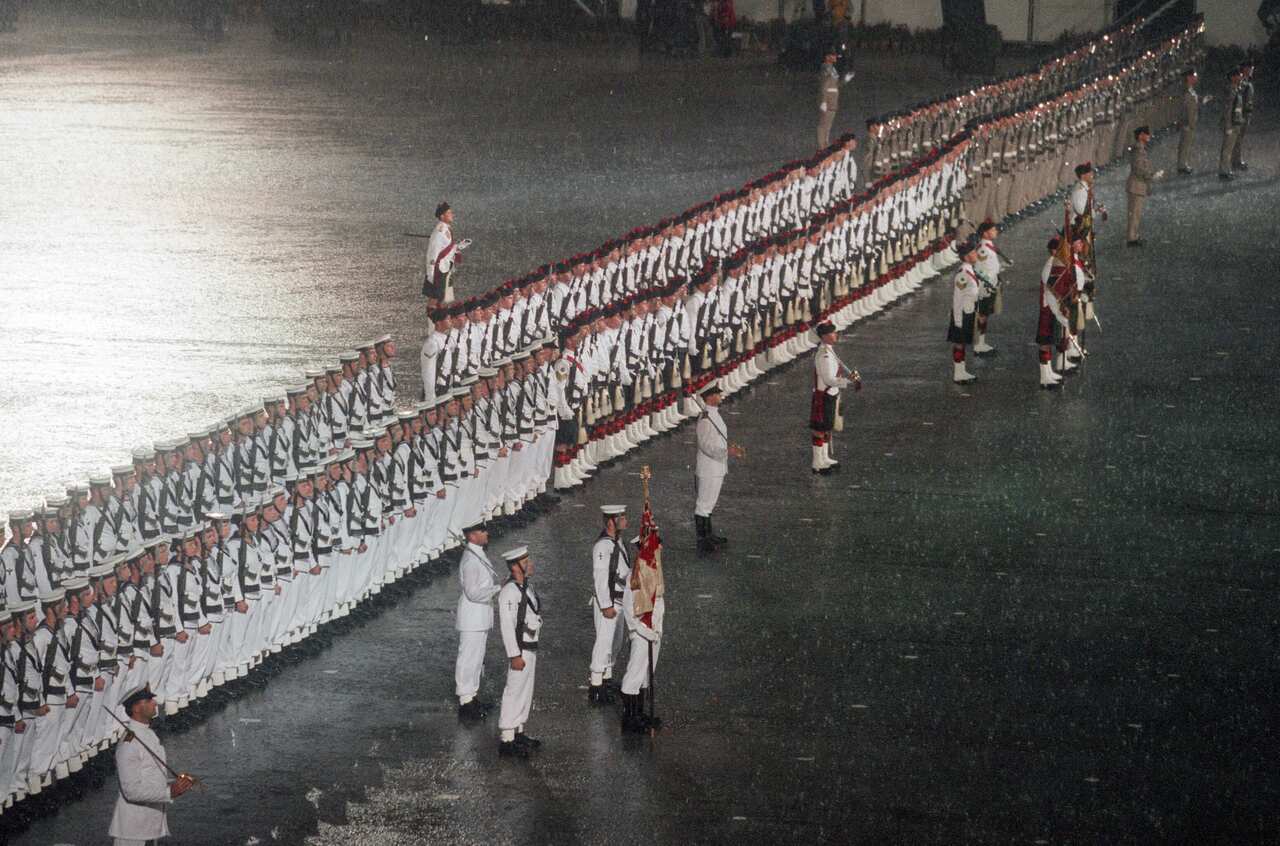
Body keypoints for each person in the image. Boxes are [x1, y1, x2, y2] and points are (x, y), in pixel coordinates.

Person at [109, 684, 195, 846]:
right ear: (136, 708)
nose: (155, 703)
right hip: (132, 833)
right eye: (148, 700)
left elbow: (150, 776)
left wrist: (176, 783)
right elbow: (131, 791)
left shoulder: (147, 734)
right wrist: (169, 792)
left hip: (148, 827)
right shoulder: (129, 744)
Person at [496, 545, 541, 757]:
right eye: (525, 562)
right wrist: (514, 655)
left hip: (531, 647)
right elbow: (507, 625)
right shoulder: (509, 592)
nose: (530, 564)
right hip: (520, 650)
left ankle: (519, 730)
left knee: (525, 691)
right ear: (515, 567)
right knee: (513, 691)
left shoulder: (526, 588)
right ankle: (507, 738)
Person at [454, 522, 499, 721]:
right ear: (472, 536)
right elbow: (472, 593)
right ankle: (465, 702)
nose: (486, 533)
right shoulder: (471, 560)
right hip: (472, 617)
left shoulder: (477, 553)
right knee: (468, 659)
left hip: (479, 617)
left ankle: (472, 697)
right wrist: (497, 589)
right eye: (482, 531)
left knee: (476, 659)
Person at [588, 505, 630, 704]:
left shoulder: (617, 541)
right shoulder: (603, 547)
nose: (625, 520)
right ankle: (596, 685)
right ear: (611, 522)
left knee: (616, 641)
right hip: (609, 601)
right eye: (621, 517)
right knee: (604, 642)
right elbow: (600, 577)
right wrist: (605, 605)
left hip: (620, 599)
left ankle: (607, 677)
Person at [693, 382, 741, 552]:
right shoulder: (706, 420)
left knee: (710, 503)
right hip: (709, 468)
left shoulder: (713, 415)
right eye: (718, 394)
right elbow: (706, 446)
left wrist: (725, 451)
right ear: (711, 397)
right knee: (704, 504)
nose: (721, 397)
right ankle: (702, 540)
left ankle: (708, 535)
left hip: (716, 467)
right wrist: (726, 451)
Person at [810, 321, 858, 473]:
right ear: (824, 336)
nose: (835, 335)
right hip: (824, 395)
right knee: (820, 429)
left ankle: (824, 458)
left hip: (830, 393)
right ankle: (817, 462)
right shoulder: (824, 355)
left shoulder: (829, 351)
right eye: (832, 333)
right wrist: (849, 381)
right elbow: (828, 379)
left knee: (826, 427)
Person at [947, 239, 981, 384]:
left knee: (963, 344)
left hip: (968, 312)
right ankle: (958, 373)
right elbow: (957, 299)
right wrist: (958, 321)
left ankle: (961, 371)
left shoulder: (970, 270)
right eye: (973, 252)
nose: (976, 254)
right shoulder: (963, 274)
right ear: (966, 256)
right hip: (961, 314)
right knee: (959, 343)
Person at [424, 202, 471, 306]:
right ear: (442, 216)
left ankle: (440, 319)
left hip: (446, 267)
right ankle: (433, 320)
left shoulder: (446, 229)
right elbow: (433, 253)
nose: (452, 215)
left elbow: (446, 248)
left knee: (443, 297)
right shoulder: (440, 232)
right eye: (449, 213)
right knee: (435, 298)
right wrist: (431, 273)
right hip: (439, 269)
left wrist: (459, 246)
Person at [1125, 126, 1162, 247]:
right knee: (1134, 214)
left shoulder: (1140, 149)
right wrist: (1151, 176)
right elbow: (1139, 169)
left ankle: (1134, 236)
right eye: (1146, 134)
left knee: (1136, 213)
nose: (1148, 136)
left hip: (1138, 185)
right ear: (1141, 135)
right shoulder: (1138, 150)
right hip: (1137, 185)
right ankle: (1131, 238)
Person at [817, 51, 853, 149]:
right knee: (823, 123)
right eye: (833, 55)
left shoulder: (832, 69)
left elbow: (836, 85)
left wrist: (845, 80)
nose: (835, 57)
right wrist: (823, 101)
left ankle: (825, 142)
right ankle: (821, 145)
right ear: (827, 57)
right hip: (828, 99)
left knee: (829, 123)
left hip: (833, 100)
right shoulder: (825, 68)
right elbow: (824, 85)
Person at [1177, 69, 1209, 174]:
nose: (1196, 78)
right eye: (1194, 76)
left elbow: (1193, 103)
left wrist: (1202, 100)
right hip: (1188, 122)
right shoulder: (1186, 91)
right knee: (1184, 144)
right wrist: (1188, 122)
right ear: (1189, 78)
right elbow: (1185, 108)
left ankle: (1183, 163)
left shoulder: (1191, 90)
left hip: (1191, 121)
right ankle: (1181, 165)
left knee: (1187, 144)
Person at [1219, 66, 1246, 181]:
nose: (1241, 76)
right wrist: (1228, 126)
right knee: (1227, 149)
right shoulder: (1231, 90)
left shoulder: (1236, 89)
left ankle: (1226, 169)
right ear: (1233, 77)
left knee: (1229, 149)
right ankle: (1224, 171)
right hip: (1231, 124)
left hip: (1236, 123)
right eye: (1239, 75)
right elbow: (1228, 109)